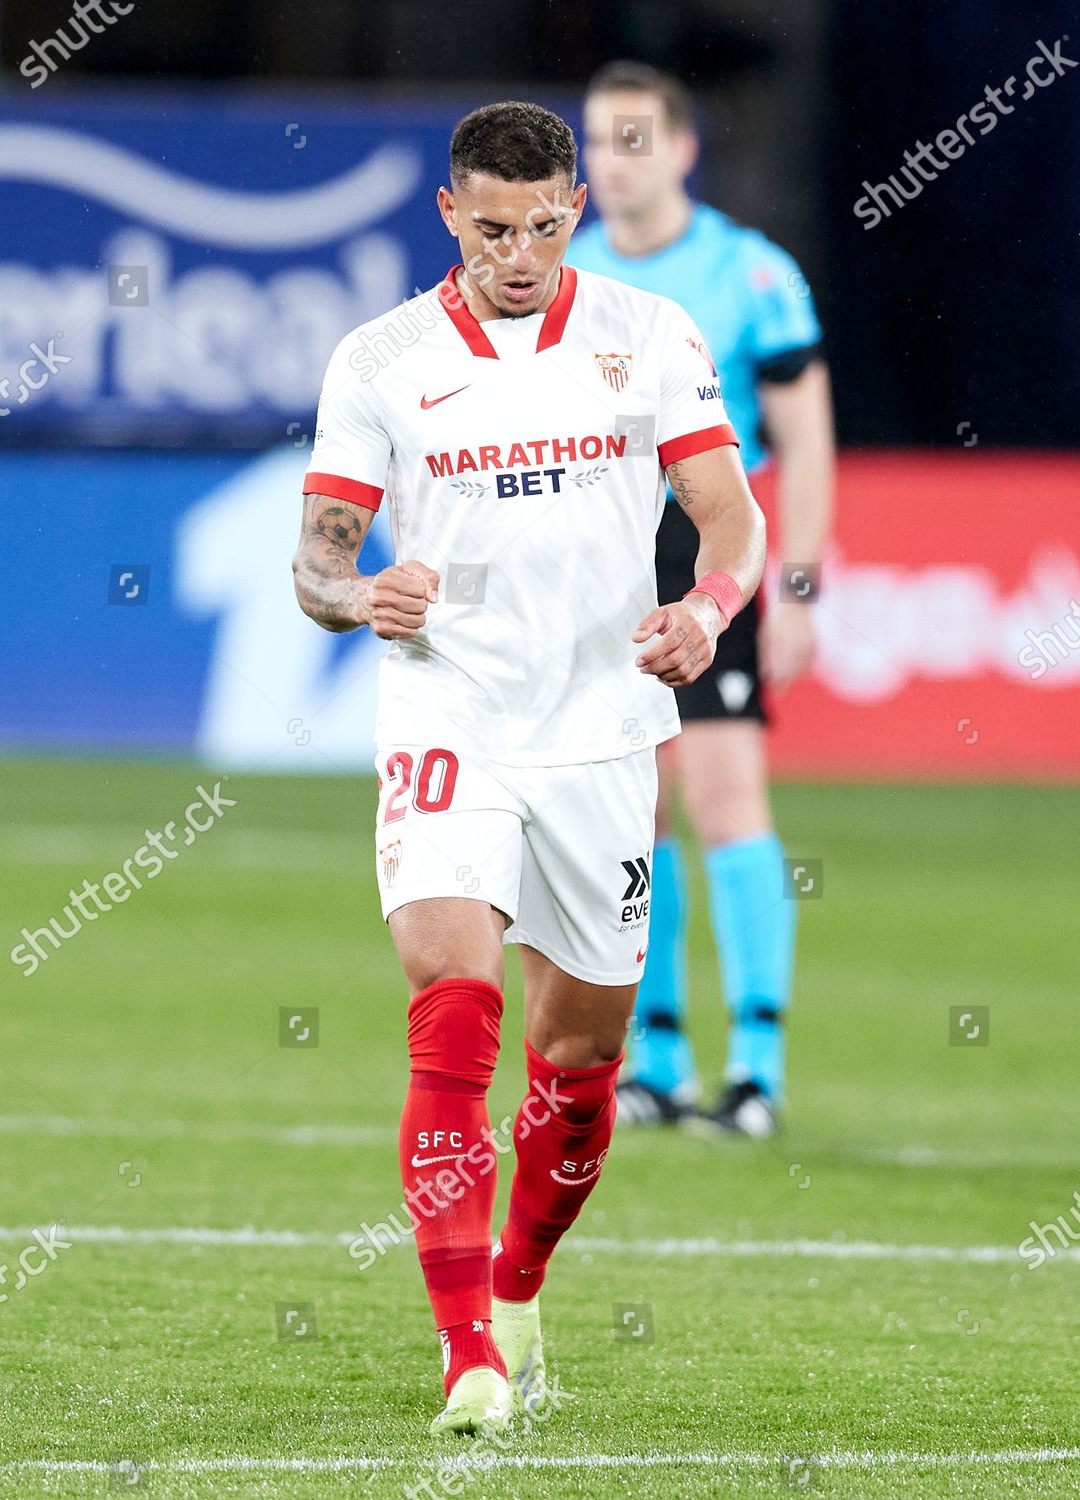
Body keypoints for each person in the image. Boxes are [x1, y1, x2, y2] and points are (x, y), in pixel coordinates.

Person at [293, 100, 765, 1437]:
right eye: (493, 227)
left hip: (606, 731)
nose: (519, 250)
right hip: (450, 715)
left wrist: (707, 611)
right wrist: (360, 593)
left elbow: (729, 515)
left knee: (580, 1062)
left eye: (544, 223)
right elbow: (319, 559)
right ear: (450, 213)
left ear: (574, 208)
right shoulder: (381, 358)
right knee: (452, 995)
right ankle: (466, 1360)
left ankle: (518, 1289)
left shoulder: (647, 336)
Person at [568, 61, 835, 1138]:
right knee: (637, 805)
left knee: (728, 797)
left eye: (634, 139)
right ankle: (658, 1058)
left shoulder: (750, 274)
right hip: (609, 558)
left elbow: (805, 437)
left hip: (710, 544)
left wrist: (802, 581)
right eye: (597, 140)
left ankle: (757, 1067)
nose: (611, 161)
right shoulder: (571, 275)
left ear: (682, 150)